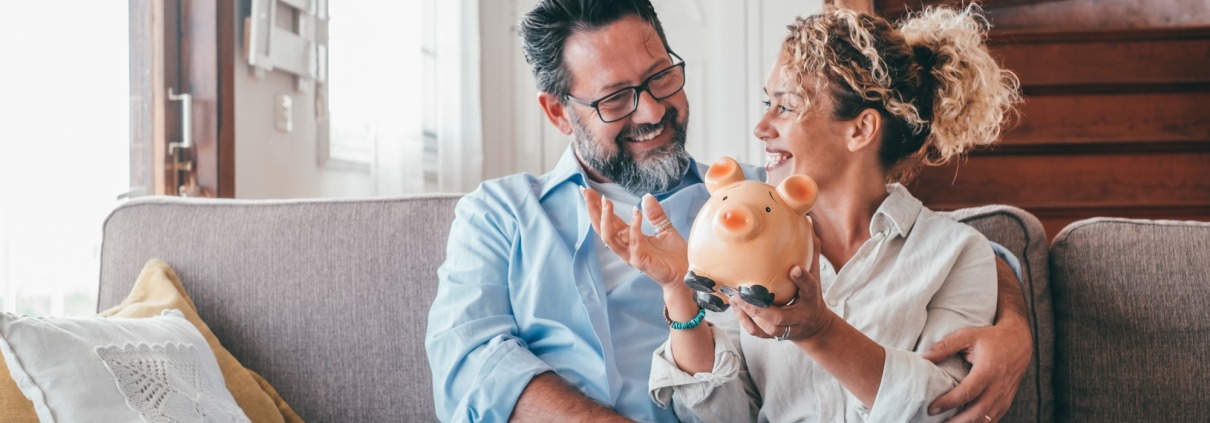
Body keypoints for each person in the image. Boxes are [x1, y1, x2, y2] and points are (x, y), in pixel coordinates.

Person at [425, 1, 1031, 421]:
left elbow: (938, 242)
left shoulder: (750, 200)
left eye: (661, 77)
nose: (650, 111)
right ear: (560, 114)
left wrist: (1013, 319)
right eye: (614, 98)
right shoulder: (499, 214)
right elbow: (474, 365)